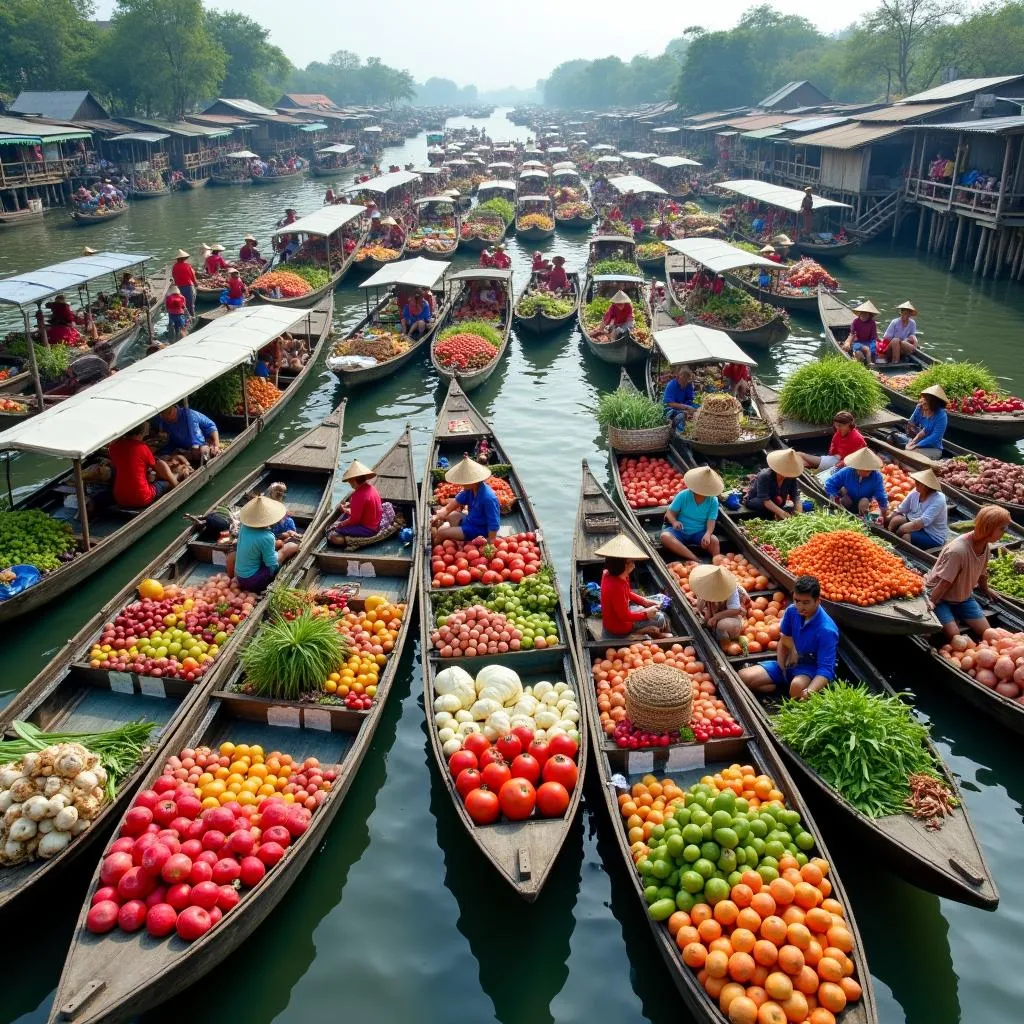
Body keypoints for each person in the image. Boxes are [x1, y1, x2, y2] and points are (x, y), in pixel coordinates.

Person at [739, 575, 839, 701]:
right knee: (743, 677)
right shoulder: (792, 611)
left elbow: (825, 670)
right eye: (796, 600)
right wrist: (783, 667)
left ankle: (796, 690)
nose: (800, 607)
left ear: (818, 601)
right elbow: (784, 638)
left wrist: (809, 691)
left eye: (806, 603)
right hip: (789, 663)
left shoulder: (826, 630)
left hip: (809, 669)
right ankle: (782, 686)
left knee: (797, 687)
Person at [925, 505, 1011, 640]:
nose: (1005, 532)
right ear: (989, 528)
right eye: (1002, 528)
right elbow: (944, 582)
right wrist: (931, 602)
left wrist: (986, 589)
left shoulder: (985, 546)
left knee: (988, 633)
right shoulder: (959, 551)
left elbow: (982, 573)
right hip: (941, 598)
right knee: (954, 635)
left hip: (963, 598)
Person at [595, 533, 670, 639]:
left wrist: (644, 601)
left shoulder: (612, 574)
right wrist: (646, 614)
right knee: (660, 618)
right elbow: (624, 616)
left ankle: (653, 632)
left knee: (651, 611)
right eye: (630, 561)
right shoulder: (617, 587)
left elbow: (628, 593)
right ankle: (636, 633)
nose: (633, 563)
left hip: (617, 618)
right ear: (623, 565)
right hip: (619, 627)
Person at [227, 496, 299, 592]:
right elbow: (272, 564)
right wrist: (284, 551)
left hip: (239, 576)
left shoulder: (245, 527)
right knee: (288, 549)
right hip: (254, 582)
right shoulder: (267, 537)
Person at [430, 456, 500, 543]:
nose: (461, 483)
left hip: (479, 530)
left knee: (442, 533)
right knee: (449, 515)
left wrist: (489, 542)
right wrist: (437, 516)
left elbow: (494, 524)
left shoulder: (488, 498)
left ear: (473, 481)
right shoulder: (469, 490)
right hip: (469, 521)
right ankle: (455, 537)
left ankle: (434, 547)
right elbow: (450, 507)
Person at [661, 466, 724, 560]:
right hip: (679, 531)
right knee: (665, 537)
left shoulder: (713, 500)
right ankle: (695, 559)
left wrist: (708, 533)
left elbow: (711, 520)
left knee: (714, 540)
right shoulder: (683, 495)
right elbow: (670, 513)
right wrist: (674, 522)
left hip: (698, 533)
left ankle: (717, 564)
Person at [107, 423, 177, 508]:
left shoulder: (113, 446)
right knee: (166, 483)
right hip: (142, 497)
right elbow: (160, 466)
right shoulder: (142, 447)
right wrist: (172, 480)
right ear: (141, 433)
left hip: (120, 498)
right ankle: (177, 485)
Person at [886, 467, 949, 549]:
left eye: (919, 482)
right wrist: (888, 522)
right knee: (896, 519)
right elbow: (901, 509)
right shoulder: (916, 491)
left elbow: (920, 523)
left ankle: (906, 555)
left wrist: (900, 531)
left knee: (906, 537)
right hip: (915, 523)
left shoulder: (938, 499)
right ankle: (891, 543)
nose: (916, 483)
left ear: (927, 486)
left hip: (932, 535)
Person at [689, 563, 750, 643]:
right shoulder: (704, 585)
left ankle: (725, 644)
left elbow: (735, 610)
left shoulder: (730, 589)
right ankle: (714, 635)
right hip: (713, 614)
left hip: (731, 617)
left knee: (723, 625)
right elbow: (701, 605)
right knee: (706, 619)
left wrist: (716, 617)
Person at [823, 447, 888, 516]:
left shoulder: (876, 476)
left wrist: (882, 511)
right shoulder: (847, 472)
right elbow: (830, 484)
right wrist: (835, 498)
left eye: (870, 470)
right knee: (845, 500)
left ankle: (862, 516)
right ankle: (842, 514)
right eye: (866, 471)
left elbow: (881, 496)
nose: (868, 473)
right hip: (848, 499)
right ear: (858, 467)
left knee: (864, 501)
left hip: (865, 505)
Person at [330, 460, 385, 538]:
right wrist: (347, 510)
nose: (349, 483)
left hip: (368, 529)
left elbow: (354, 520)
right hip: (375, 523)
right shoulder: (372, 488)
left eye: (350, 481)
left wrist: (340, 525)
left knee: (335, 532)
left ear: (354, 480)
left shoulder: (358, 495)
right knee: (345, 516)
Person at [891, 385, 948, 459]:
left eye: (927, 401)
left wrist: (916, 445)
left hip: (933, 448)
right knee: (891, 438)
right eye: (924, 399)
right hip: (916, 440)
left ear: (934, 403)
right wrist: (913, 441)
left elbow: (935, 437)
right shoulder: (920, 407)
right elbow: (911, 423)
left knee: (910, 453)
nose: (924, 402)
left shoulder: (941, 415)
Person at [745, 448, 803, 519]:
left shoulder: (791, 477)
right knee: (761, 504)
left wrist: (799, 515)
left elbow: (795, 496)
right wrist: (782, 513)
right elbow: (765, 500)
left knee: (782, 503)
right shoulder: (765, 475)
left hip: (777, 502)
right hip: (757, 501)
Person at [799, 410, 866, 471]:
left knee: (800, 455)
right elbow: (833, 447)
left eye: (840, 426)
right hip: (833, 458)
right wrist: (832, 456)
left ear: (848, 424)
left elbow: (858, 457)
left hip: (843, 464)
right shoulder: (838, 432)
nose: (837, 427)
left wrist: (840, 464)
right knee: (804, 462)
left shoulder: (857, 438)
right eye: (836, 425)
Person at [171, 250, 197, 316]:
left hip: (179, 287)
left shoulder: (175, 266)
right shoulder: (187, 265)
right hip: (188, 286)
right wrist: (196, 284)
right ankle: (192, 316)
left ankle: (184, 316)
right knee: (190, 303)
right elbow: (192, 276)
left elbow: (174, 276)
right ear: (184, 258)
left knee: (182, 303)